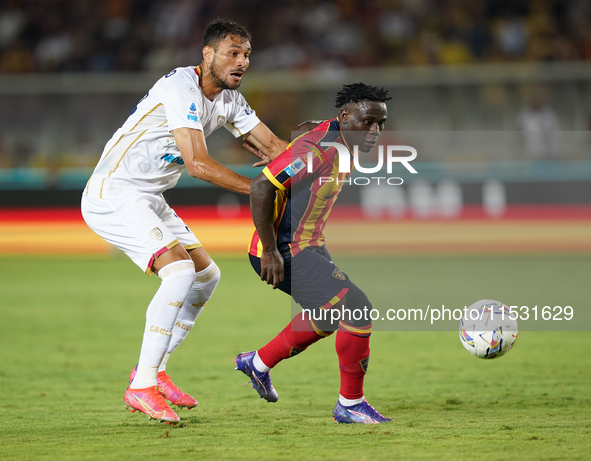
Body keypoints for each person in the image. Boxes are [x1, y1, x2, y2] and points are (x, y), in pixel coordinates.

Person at [81, 20, 287, 424]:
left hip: (149, 197)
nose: (242, 61)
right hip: (115, 192)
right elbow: (197, 164)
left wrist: (321, 162)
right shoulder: (180, 86)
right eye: (233, 52)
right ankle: (141, 386)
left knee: (206, 276)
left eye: (246, 54)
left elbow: (275, 147)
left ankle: (154, 372)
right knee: (177, 272)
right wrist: (260, 189)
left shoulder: (229, 99)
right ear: (207, 54)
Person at [235, 83, 392, 424]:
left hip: (309, 245)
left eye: (380, 123)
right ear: (346, 117)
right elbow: (261, 186)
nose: (375, 131)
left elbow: (311, 127)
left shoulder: (338, 135)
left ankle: (257, 363)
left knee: (328, 316)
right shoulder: (318, 149)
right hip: (284, 250)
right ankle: (350, 405)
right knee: (357, 307)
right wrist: (270, 251)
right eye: (369, 122)